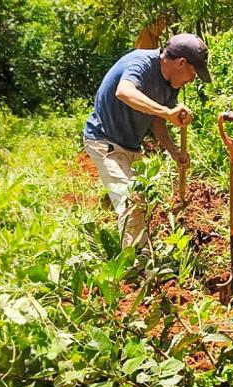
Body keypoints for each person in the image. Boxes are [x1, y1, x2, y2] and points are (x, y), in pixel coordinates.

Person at [83, 33, 211, 244]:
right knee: (131, 206)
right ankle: (136, 270)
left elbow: (157, 121)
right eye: (193, 73)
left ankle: (114, 207)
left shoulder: (170, 84)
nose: (191, 80)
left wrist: (174, 151)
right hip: (104, 141)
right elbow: (124, 92)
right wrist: (165, 111)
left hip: (131, 146)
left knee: (141, 200)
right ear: (181, 63)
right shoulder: (140, 62)